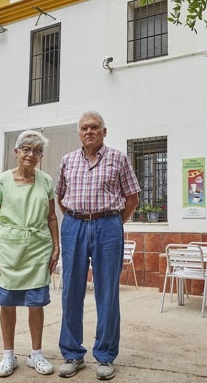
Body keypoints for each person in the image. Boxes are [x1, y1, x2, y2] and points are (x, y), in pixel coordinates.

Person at [55, 110, 140, 380]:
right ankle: (72, 353)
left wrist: (113, 223)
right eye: (84, 128)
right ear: (78, 133)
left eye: (95, 127)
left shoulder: (119, 158)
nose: (89, 131)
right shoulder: (67, 160)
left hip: (107, 226)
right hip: (74, 225)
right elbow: (60, 197)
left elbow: (132, 197)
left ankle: (104, 356)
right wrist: (77, 218)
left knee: (107, 292)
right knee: (71, 290)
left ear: (104, 132)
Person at [0, 130, 60, 378]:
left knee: (36, 303)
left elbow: (51, 216)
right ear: (16, 152)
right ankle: (8, 356)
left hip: (38, 247)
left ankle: (36, 354)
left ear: (41, 156)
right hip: (8, 249)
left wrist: (56, 245)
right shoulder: (1, 181)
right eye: (26, 149)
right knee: (7, 303)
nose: (31, 154)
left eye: (37, 151)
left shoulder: (46, 181)